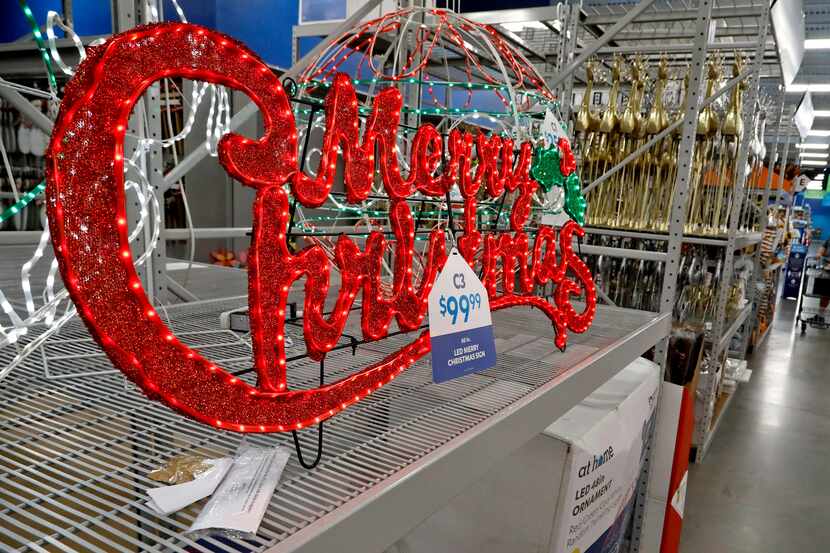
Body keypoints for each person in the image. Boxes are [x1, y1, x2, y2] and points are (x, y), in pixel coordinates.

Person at [816, 238, 830, 321]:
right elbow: (823, 248)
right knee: (825, 295)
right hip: (827, 269)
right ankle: (820, 316)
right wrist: (819, 253)